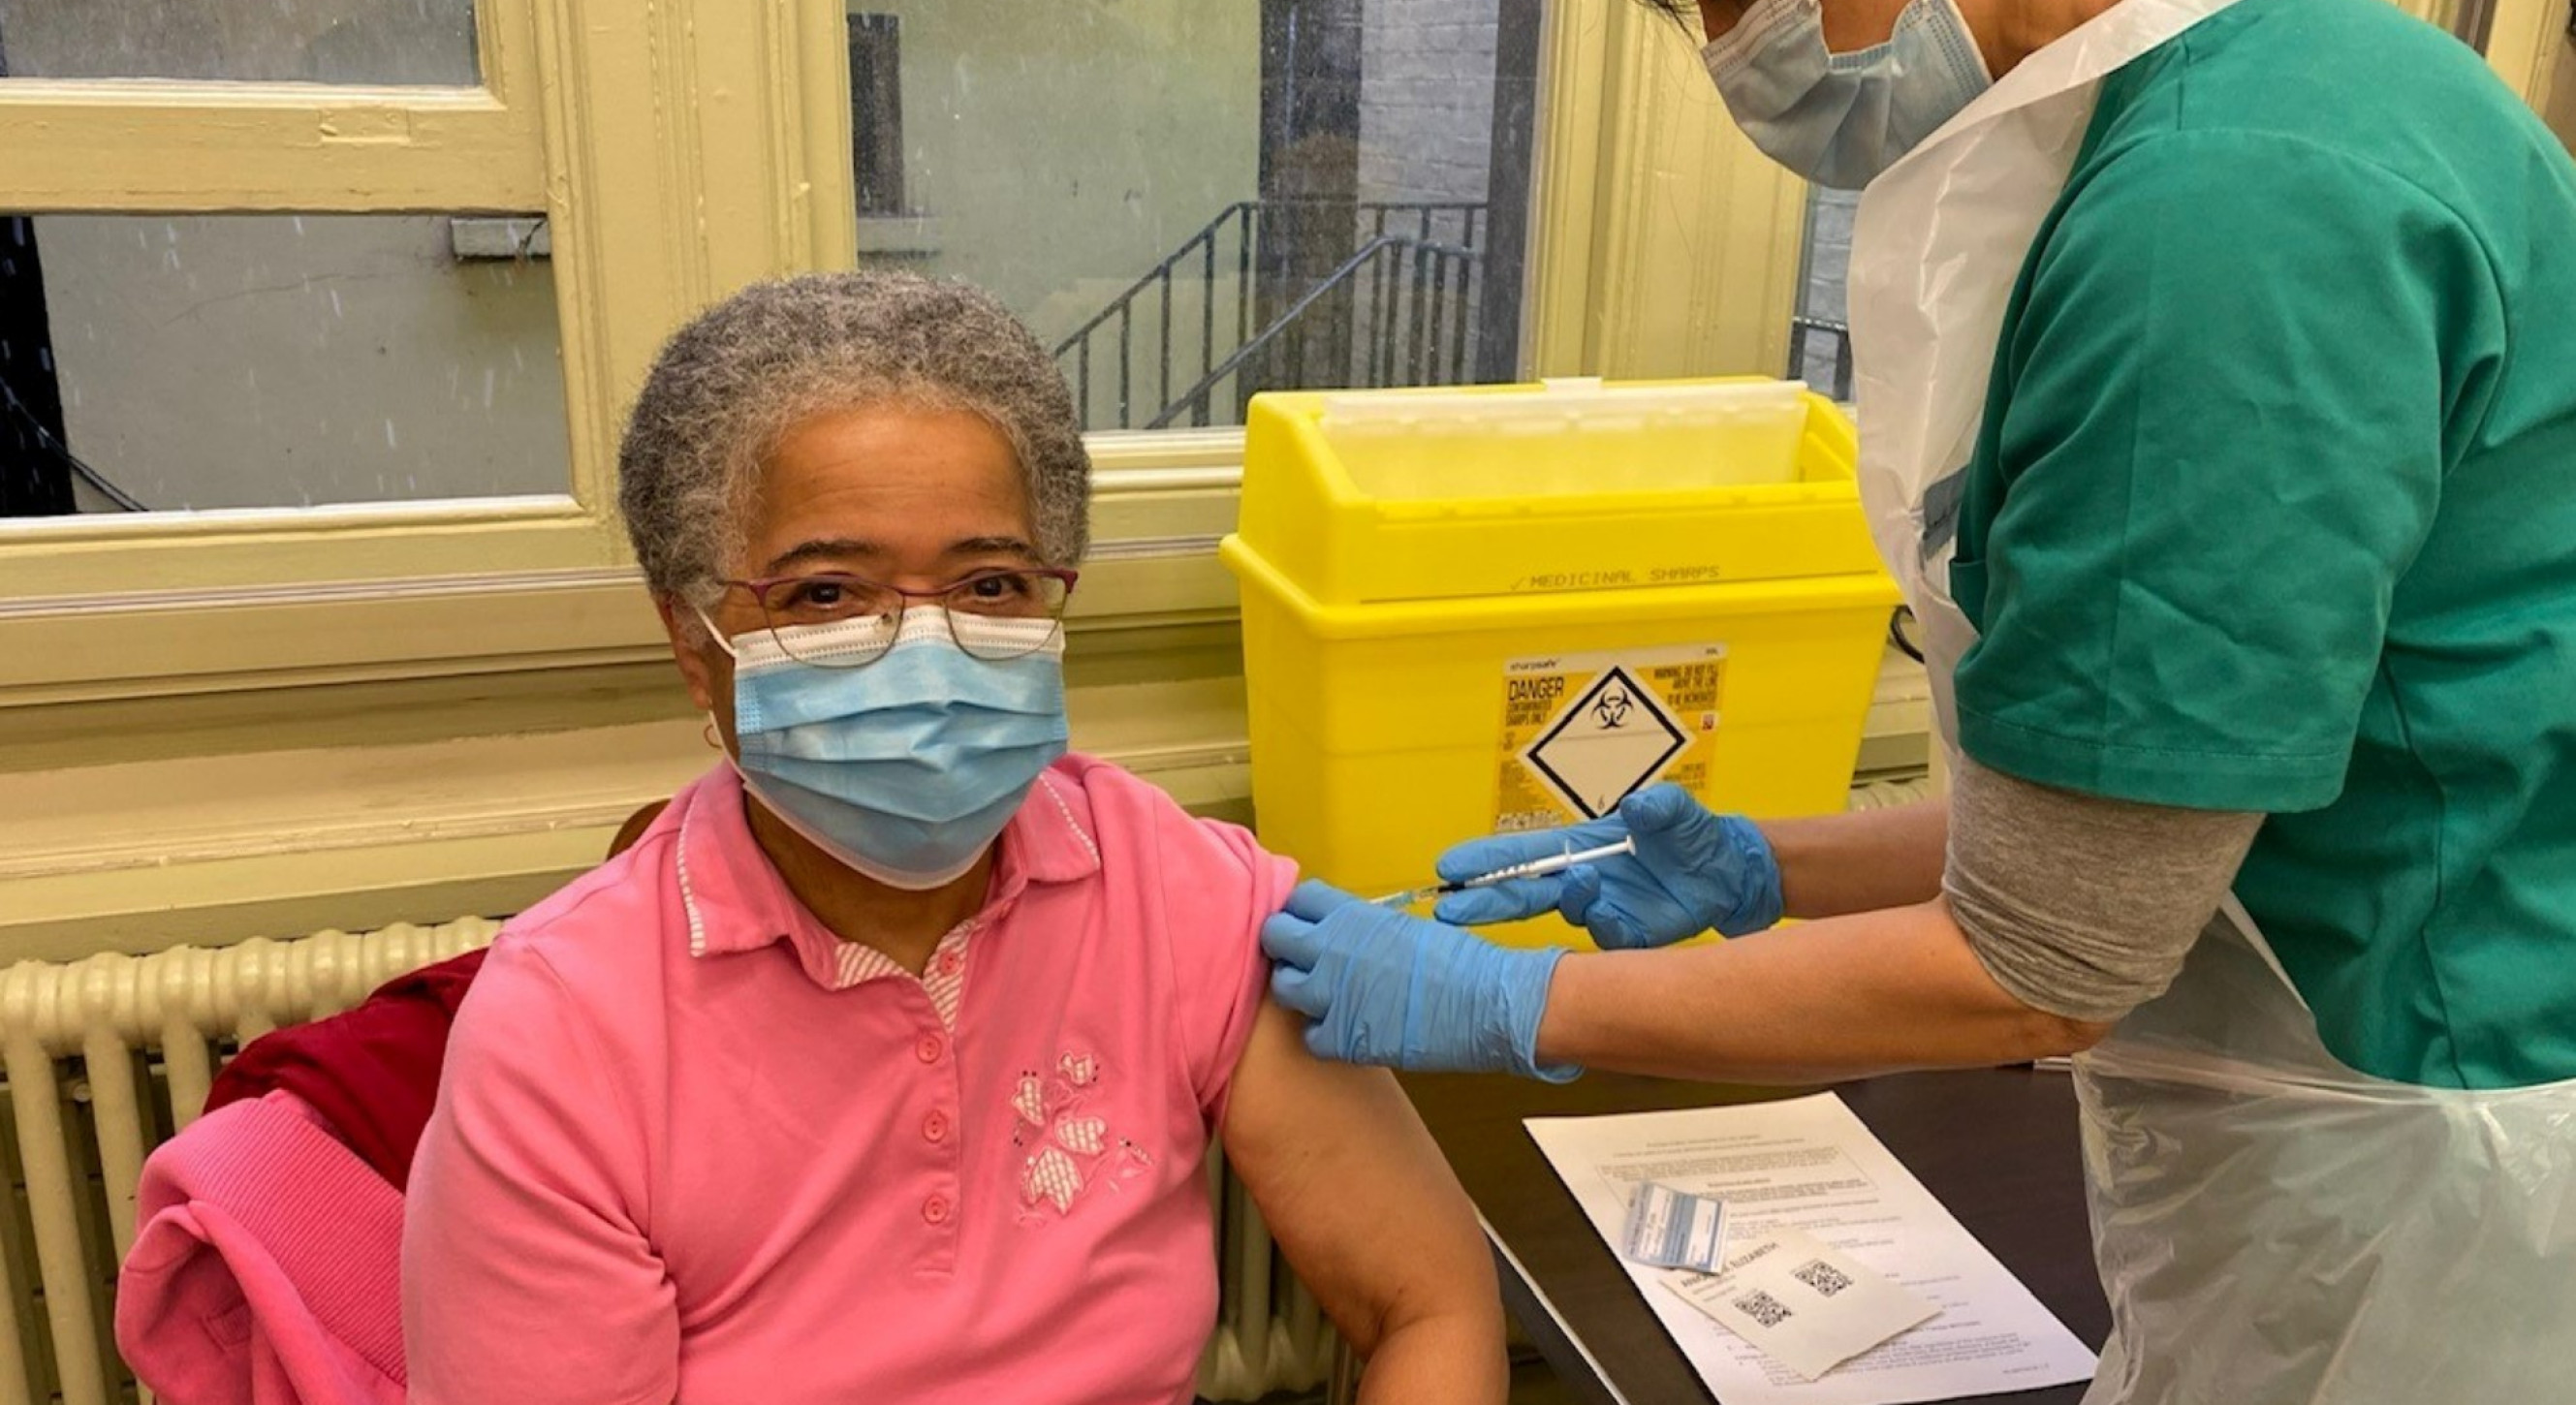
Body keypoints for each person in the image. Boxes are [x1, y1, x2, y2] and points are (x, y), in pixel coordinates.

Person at [1262, 0, 2576, 1399]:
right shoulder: (2298, 98)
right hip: (2368, 1122)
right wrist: (1771, 862)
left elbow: (2047, 956)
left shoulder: (2226, 215)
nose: (1735, 51)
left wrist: (1530, 1001)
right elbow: (2140, 801)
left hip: (2432, 1188)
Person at [403, 271, 1506, 1404]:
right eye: (828, 594)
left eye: (989, 583)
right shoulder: (565, 1032)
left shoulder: (1167, 890)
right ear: (696, 642)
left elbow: (1431, 1302)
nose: (924, 656)